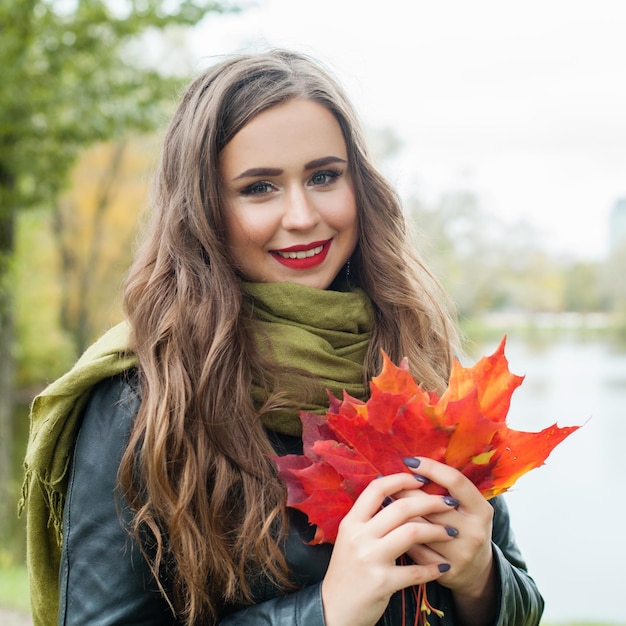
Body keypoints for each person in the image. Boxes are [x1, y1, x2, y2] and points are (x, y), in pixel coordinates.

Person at [21, 49, 544, 626]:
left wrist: (481, 578)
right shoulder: (140, 399)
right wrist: (324, 613)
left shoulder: (417, 360)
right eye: (259, 188)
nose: (301, 215)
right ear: (203, 209)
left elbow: (523, 600)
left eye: (324, 177)